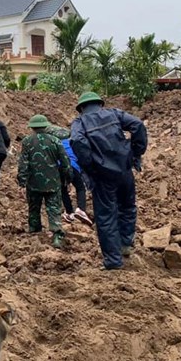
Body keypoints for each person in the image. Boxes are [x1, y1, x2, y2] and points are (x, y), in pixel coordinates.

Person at [69, 92, 147, 270]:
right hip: (125, 170)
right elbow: (138, 125)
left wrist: (90, 167)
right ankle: (125, 244)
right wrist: (135, 153)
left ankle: (113, 260)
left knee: (106, 216)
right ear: (100, 104)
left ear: (81, 108)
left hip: (103, 176)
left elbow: (77, 141)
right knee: (128, 206)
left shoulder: (80, 123)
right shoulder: (114, 114)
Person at [17, 115, 71, 249]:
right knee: (54, 209)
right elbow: (65, 162)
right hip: (53, 181)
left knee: (34, 207)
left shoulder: (27, 141)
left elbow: (23, 163)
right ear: (46, 126)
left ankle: (34, 231)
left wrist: (22, 181)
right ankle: (57, 235)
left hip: (33, 182)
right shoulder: (55, 141)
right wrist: (67, 178)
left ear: (32, 128)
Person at [61, 138, 92, 226]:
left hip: (59, 167)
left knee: (63, 190)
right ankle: (81, 209)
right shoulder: (72, 142)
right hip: (72, 166)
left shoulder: (57, 143)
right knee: (80, 188)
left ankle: (69, 212)